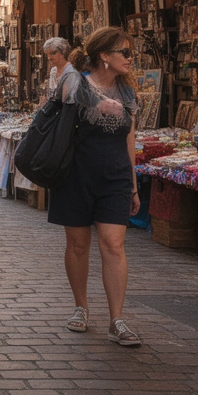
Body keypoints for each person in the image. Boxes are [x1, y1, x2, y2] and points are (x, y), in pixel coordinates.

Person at [50, 28, 142, 347]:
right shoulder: (74, 82)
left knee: (113, 245)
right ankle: (81, 306)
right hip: (75, 175)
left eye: (132, 53)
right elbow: (63, 97)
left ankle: (117, 319)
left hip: (115, 177)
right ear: (104, 55)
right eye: (125, 53)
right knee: (77, 245)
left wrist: (133, 185)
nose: (131, 59)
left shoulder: (129, 93)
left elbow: (129, 137)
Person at [42, 37, 74, 101]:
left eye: (53, 53)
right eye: (47, 54)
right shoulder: (53, 71)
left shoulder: (72, 71)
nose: (49, 58)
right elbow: (52, 96)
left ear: (63, 52)